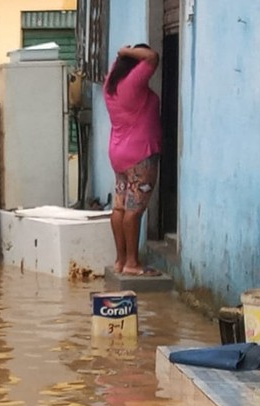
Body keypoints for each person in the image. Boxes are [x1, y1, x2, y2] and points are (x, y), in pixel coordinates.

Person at [104, 44, 162, 276]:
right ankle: (132, 263)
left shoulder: (111, 85)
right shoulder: (132, 84)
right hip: (140, 154)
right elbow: (152, 57)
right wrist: (126, 51)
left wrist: (124, 56)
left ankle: (120, 260)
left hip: (118, 154)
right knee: (134, 209)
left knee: (120, 206)